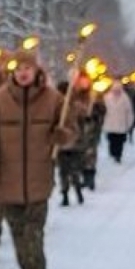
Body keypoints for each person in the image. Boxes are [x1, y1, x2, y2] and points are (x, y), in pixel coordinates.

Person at [0, 51, 76, 269]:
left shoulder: (54, 100)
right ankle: (27, 268)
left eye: (27, 68)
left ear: (36, 71)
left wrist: (63, 136)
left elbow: (72, 131)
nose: (23, 73)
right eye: (19, 68)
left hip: (38, 180)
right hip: (7, 180)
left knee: (33, 235)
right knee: (18, 235)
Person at [55, 71, 91, 206]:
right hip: (65, 143)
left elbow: (84, 118)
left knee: (66, 170)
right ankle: (70, 193)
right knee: (69, 170)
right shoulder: (58, 106)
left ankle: (71, 192)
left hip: (71, 143)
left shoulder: (73, 106)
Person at [102, 79, 135, 163]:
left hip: (121, 124)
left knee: (120, 141)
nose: (116, 91)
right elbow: (103, 110)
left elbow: (129, 111)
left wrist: (129, 123)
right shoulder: (107, 98)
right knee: (112, 140)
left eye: (118, 89)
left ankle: (118, 155)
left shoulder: (125, 98)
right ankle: (113, 152)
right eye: (115, 89)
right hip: (110, 123)